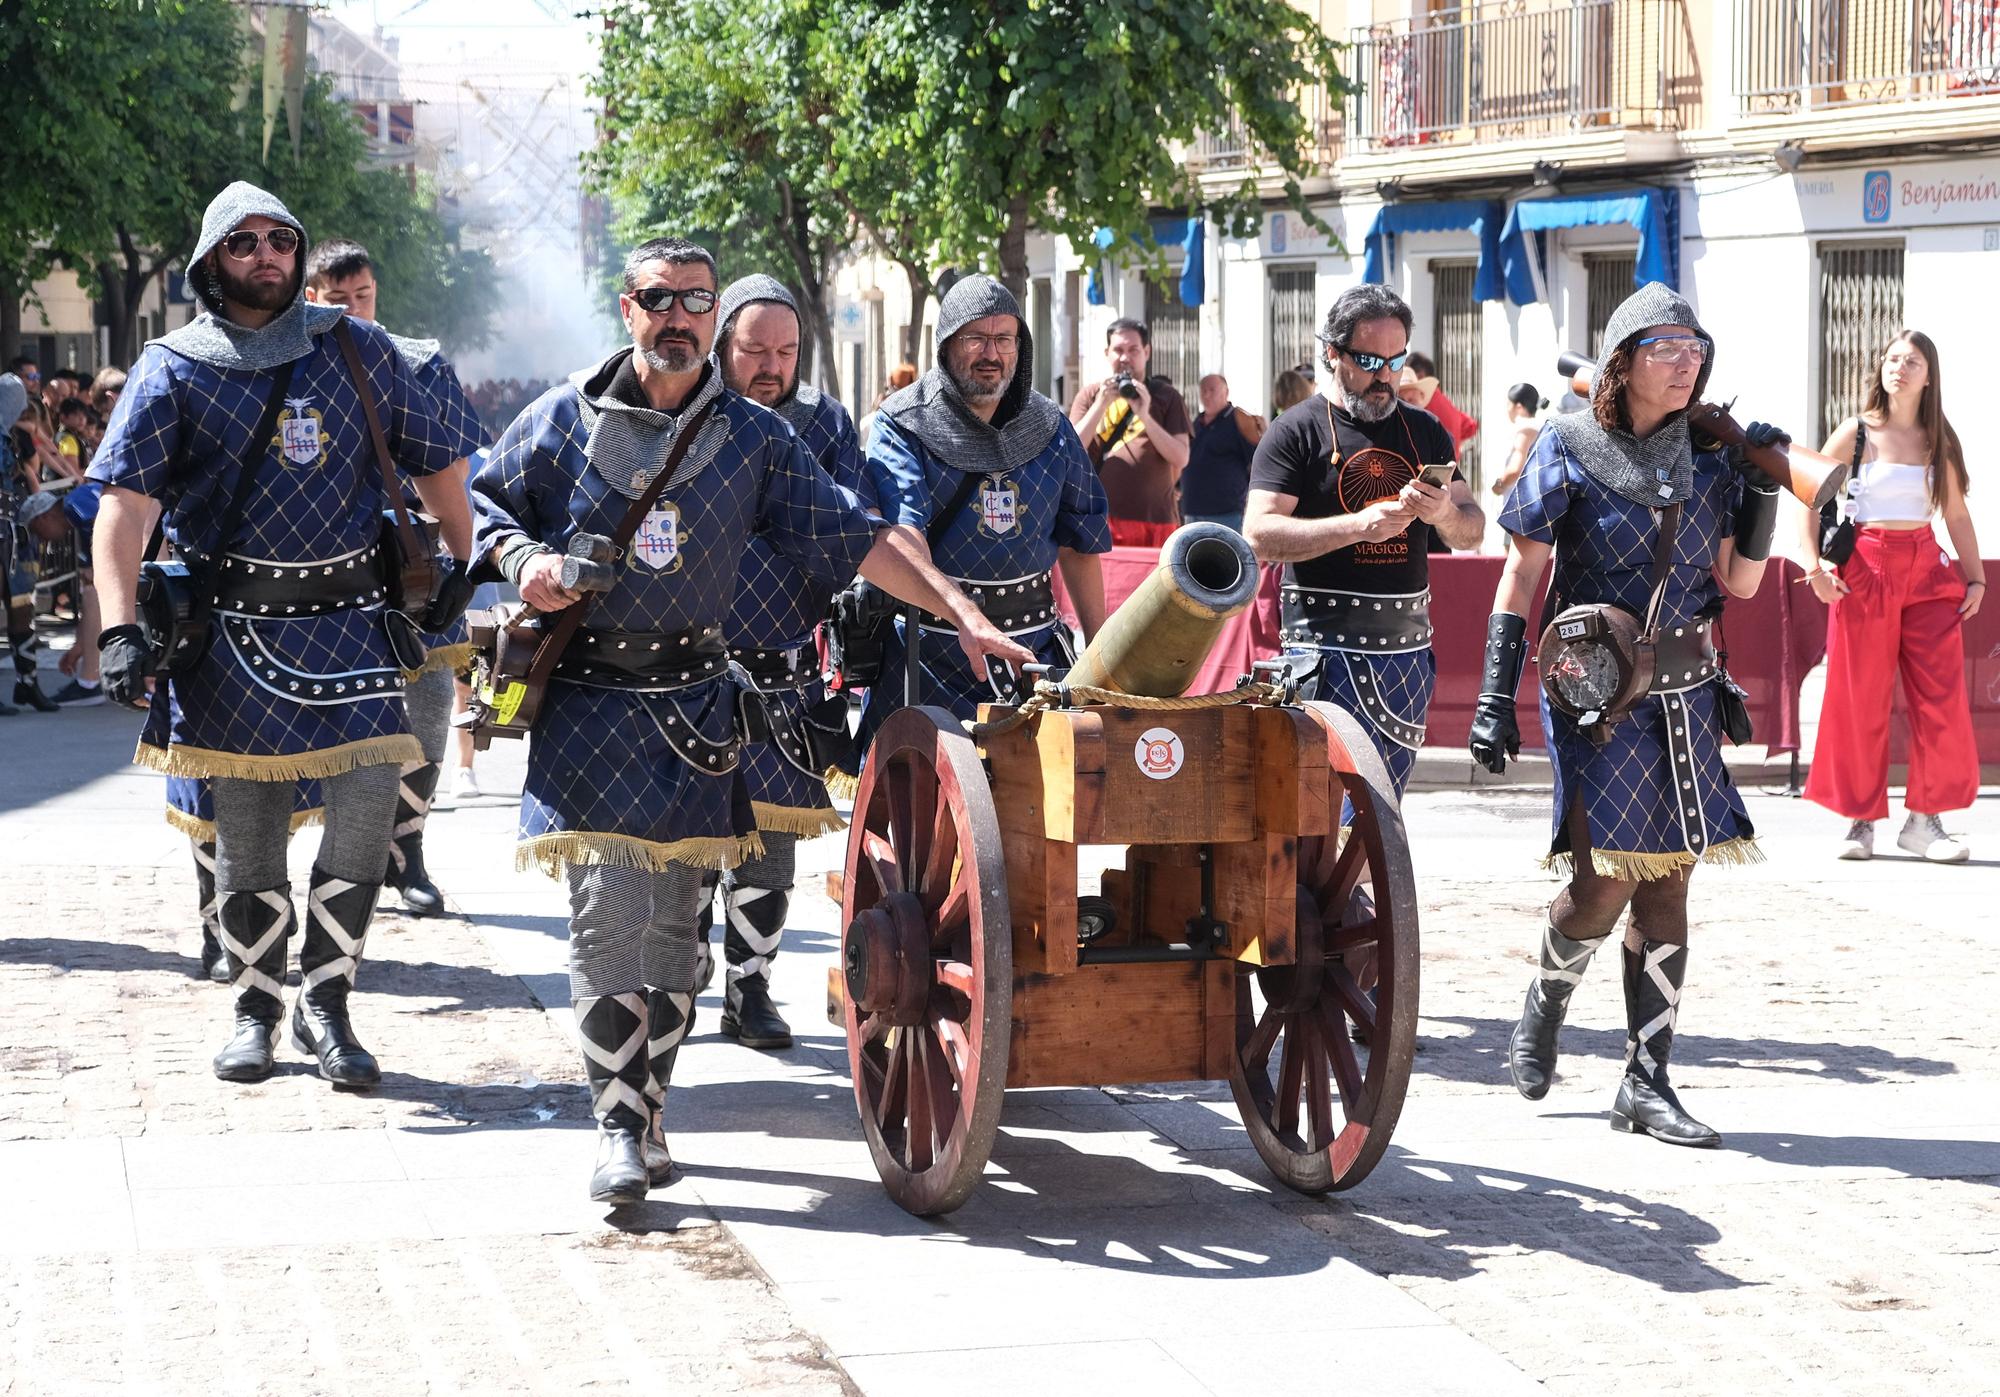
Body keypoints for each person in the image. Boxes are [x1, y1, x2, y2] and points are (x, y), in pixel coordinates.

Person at [469, 236, 1029, 1204]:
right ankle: (612, 1122)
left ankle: (648, 1108)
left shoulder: (756, 438)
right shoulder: (559, 417)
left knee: (680, 928)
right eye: (659, 298)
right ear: (627, 306)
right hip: (592, 701)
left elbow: (858, 538)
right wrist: (526, 564)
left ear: (711, 311)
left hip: (698, 704)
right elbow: (485, 507)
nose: (676, 316)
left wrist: (962, 613)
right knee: (606, 912)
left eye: (694, 298)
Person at [88, 182, 473, 1090]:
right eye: (244, 243)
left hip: (354, 624)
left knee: (375, 797)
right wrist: (115, 630)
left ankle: (328, 1000)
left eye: (280, 240)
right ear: (211, 261)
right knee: (248, 832)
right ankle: (257, 1003)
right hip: (230, 636)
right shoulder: (172, 367)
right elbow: (124, 507)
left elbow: (441, 465)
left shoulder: (358, 347)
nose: (266, 255)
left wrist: (464, 567)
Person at [1469, 282, 1782, 1150]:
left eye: (1695, 349)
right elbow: (1521, 576)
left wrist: (1762, 491)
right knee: (1605, 878)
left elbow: (1744, 583)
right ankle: (1547, 996)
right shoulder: (1566, 445)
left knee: (1672, 878)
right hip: (1595, 690)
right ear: (1623, 360)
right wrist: (1496, 695)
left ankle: (1646, 1081)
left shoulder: (1711, 459)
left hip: (1686, 693)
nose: (1686, 363)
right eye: (1666, 348)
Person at [694, 273, 864, 1050]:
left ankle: (749, 987)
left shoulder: (826, 423)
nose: (771, 365)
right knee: (688, 837)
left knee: (769, 843)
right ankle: (682, 965)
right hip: (687, 665)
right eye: (754, 349)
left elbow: (851, 523)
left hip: (783, 672)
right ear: (723, 342)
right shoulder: (687, 413)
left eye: (786, 351)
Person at [1243, 284, 1485, 798]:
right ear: (1332, 354)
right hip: (1321, 653)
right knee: (1318, 813)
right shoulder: (1294, 431)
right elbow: (1258, 535)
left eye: (1395, 360)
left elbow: (1472, 529)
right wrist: (1358, 526)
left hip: (1406, 652)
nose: (1385, 376)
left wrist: (1442, 512)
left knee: (1380, 815)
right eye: (1370, 359)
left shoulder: (1425, 430)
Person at [305, 236, 485, 914]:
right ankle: (343, 856)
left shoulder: (420, 362)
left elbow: (455, 466)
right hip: (331, 566)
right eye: (339, 298)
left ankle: (407, 850)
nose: (357, 308)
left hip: (414, 558)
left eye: (364, 295)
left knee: (431, 705)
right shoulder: (293, 366)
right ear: (311, 299)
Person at [861, 274, 1111, 751]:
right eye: (975, 338)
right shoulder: (903, 422)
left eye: (1003, 339)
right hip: (931, 650)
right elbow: (902, 534)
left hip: (1032, 652)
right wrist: (962, 614)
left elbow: (1081, 540)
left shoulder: (1050, 425)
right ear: (947, 343)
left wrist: (1100, 655)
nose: (991, 355)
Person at [1800, 330, 1983, 864]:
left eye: (1913, 361)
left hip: (1927, 571)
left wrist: (1977, 580)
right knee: (1860, 699)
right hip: (1865, 570)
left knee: (1942, 700)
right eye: (1893, 358)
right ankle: (1860, 821)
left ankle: (1925, 822)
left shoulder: (1937, 442)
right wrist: (1812, 567)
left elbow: (1956, 516)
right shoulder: (1855, 433)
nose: (1899, 367)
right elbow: (1807, 502)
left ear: (1930, 376)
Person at [1066, 317, 1191, 546]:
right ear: (1107, 353)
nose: (1125, 358)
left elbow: (1181, 457)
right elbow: (1070, 452)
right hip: (1099, 519)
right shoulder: (1091, 395)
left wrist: (1145, 416)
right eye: (1118, 350)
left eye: (1133, 350)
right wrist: (1100, 406)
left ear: (1147, 352)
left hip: (1156, 522)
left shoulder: (1166, 396)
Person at [1182, 373, 1264, 533]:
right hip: (1193, 510)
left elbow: (1257, 461)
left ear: (1226, 392)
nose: (1206, 395)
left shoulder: (1239, 420)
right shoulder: (1196, 423)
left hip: (1227, 513)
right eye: (1203, 390)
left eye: (1212, 390)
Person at [1402, 352, 1478, 453]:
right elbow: (1471, 426)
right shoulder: (1443, 401)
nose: (1403, 404)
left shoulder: (1425, 408)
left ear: (1420, 376)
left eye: (1409, 400)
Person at [1489, 382, 1548, 499]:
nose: (1507, 408)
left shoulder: (1525, 431)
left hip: (1520, 501)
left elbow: (1515, 469)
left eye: (1508, 404)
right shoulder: (1538, 427)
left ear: (1519, 407)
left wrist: (1499, 485)